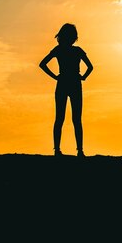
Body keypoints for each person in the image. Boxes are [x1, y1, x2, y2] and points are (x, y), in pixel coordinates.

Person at [39, 23, 94, 158]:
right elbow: (90, 67)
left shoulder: (59, 50)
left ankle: (57, 150)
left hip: (63, 83)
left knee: (60, 118)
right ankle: (79, 151)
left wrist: (55, 77)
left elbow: (42, 64)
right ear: (73, 37)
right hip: (74, 84)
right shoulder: (77, 51)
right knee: (76, 119)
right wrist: (83, 77)